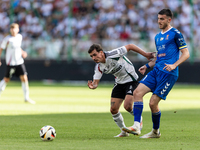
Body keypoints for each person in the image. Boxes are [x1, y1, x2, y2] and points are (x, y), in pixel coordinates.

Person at [122, 8, 190, 138]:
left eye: (162, 19)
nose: (159, 21)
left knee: (153, 103)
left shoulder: (176, 33)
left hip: (168, 74)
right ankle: (137, 126)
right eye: (158, 18)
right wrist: (147, 66)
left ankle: (155, 132)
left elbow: (186, 54)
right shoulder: (157, 36)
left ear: (169, 20)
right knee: (137, 92)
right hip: (156, 71)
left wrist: (174, 65)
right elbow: (159, 57)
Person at [87, 43, 154, 137]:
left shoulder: (113, 54)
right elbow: (95, 83)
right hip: (119, 83)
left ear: (101, 53)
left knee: (127, 106)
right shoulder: (99, 67)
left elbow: (130, 46)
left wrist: (146, 54)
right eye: (91, 56)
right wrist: (93, 86)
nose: (93, 58)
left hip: (131, 80)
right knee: (113, 109)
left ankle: (138, 120)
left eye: (95, 55)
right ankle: (124, 131)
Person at [0, 23, 35, 104]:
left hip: (19, 61)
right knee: (6, 79)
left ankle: (26, 98)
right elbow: (1, 49)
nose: (13, 30)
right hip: (11, 63)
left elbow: (18, 47)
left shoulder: (19, 37)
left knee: (24, 78)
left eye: (14, 28)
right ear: (10, 30)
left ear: (18, 29)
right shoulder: (7, 39)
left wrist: (22, 52)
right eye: (11, 29)